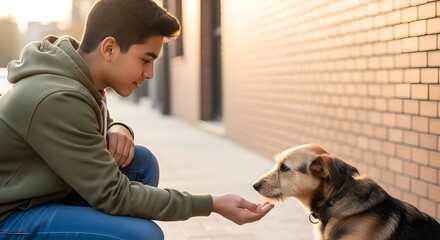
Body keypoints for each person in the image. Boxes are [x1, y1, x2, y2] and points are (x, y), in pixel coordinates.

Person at [0, 0, 274, 239]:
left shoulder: (77, 78)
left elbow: (84, 125)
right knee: (141, 235)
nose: (150, 73)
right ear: (109, 48)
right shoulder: (56, 96)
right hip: (10, 216)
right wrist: (211, 204)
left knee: (140, 163)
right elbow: (114, 194)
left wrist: (118, 126)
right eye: (146, 59)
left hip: (44, 196)